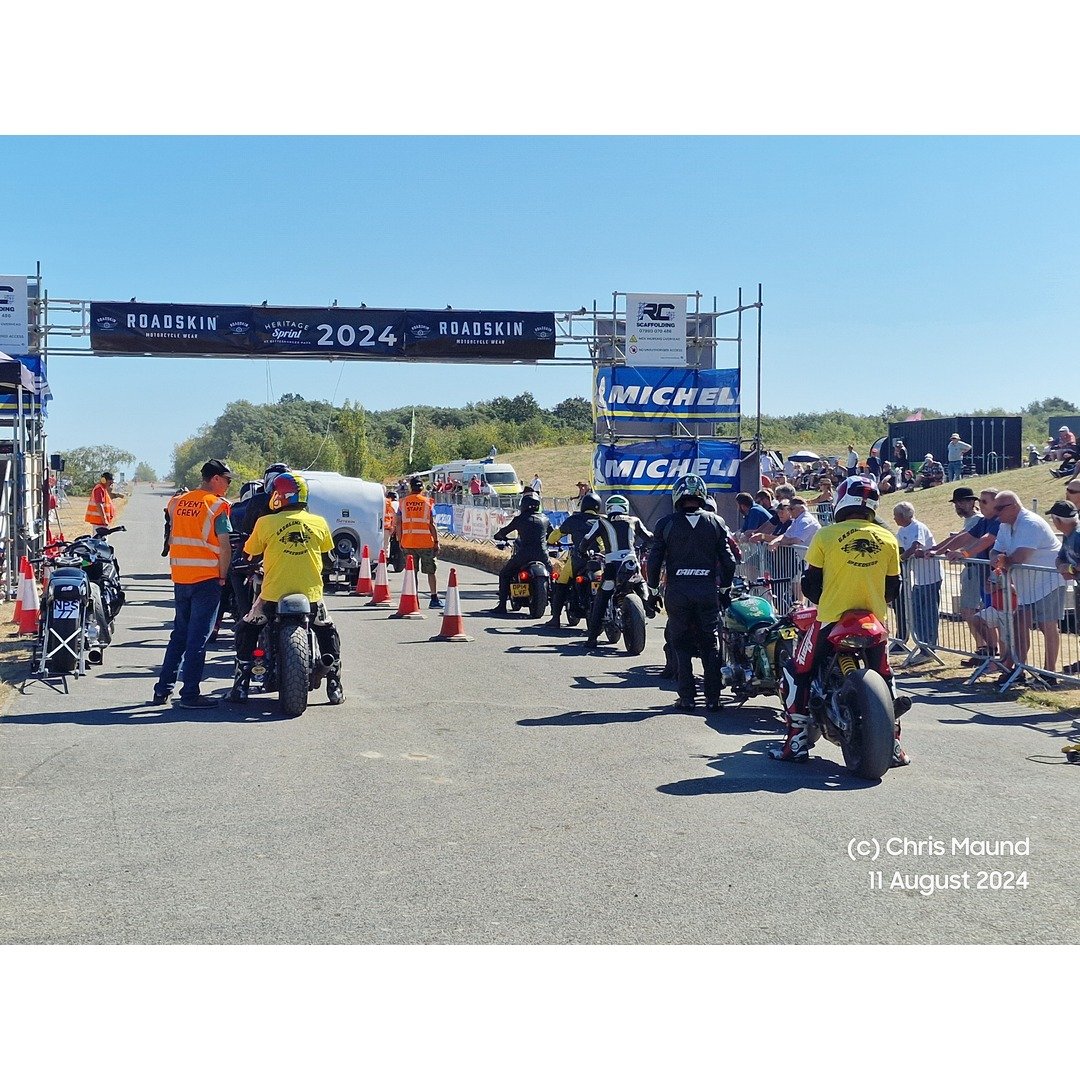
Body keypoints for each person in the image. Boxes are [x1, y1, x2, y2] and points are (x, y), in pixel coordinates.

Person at [768, 475, 912, 766]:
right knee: (885, 676)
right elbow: (892, 589)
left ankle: (796, 741)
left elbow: (810, 585)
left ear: (841, 500)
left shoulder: (825, 535)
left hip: (831, 618)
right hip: (873, 621)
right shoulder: (888, 538)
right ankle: (894, 744)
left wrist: (830, 597)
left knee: (796, 671)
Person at [230, 471, 344, 705]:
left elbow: (249, 554)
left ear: (279, 496)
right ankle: (335, 684)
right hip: (311, 595)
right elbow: (329, 559)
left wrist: (245, 562)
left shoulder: (265, 522)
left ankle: (241, 686)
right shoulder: (319, 522)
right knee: (327, 630)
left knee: (246, 628)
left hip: (272, 595)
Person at [646, 475, 737, 710]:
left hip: (678, 591)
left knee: (681, 645)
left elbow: (654, 560)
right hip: (706, 590)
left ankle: (687, 698)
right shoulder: (716, 521)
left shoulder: (666, 523)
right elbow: (729, 561)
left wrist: (653, 589)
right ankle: (713, 699)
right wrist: (725, 589)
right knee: (710, 644)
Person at [151, 459, 234, 708]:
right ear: (215, 479)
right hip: (207, 579)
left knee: (179, 635)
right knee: (198, 639)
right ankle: (189, 694)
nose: (229, 485)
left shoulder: (176, 502)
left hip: (181, 578)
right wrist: (223, 575)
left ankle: (162, 690)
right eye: (227, 480)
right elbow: (225, 546)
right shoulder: (217, 506)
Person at [990, 491, 1063, 686]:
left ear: (1014, 506)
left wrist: (1003, 561)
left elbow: (1020, 556)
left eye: (1000, 508)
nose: (996, 513)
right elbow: (995, 551)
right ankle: (1019, 669)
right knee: (1019, 624)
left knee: (1047, 625)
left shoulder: (1030, 523)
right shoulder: (1004, 525)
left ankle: (1049, 673)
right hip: (1026, 585)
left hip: (1048, 581)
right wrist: (997, 559)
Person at [580, 494, 654, 650]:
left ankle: (592, 638)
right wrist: (648, 547)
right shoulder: (634, 520)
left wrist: (582, 552)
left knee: (602, 597)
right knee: (640, 582)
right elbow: (650, 537)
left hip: (612, 566)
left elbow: (586, 539)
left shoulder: (602, 522)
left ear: (608, 508)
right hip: (631, 563)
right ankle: (647, 606)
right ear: (625, 507)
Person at [544, 491, 602, 628]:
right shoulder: (602, 521)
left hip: (578, 559)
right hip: (600, 560)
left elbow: (555, 535)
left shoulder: (574, 520)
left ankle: (555, 618)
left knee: (561, 583)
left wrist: (550, 541)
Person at [489, 492, 552, 616]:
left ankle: (502, 605)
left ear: (524, 505)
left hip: (524, 554)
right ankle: (555, 607)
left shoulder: (520, 519)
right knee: (553, 577)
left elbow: (504, 531)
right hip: (542, 554)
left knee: (505, 574)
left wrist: (499, 535)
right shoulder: (545, 519)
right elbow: (552, 534)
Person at [893, 501, 942, 658]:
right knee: (916, 612)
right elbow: (899, 548)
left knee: (929, 612)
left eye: (896, 515)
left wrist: (900, 559)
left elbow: (916, 546)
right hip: (918, 578)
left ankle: (929, 647)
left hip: (930, 576)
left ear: (903, 516)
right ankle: (922, 644)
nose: (894, 518)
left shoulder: (918, 527)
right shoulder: (902, 531)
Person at [396, 474, 443, 608]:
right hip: (426, 543)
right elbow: (432, 524)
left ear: (410, 488)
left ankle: (413, 598)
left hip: (408, 542)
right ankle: (434, 599)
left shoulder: (403, 503)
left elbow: (398, 523)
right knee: (431, 572)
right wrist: (436, 541)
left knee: (412, 572)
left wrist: (400, 540)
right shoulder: (428, 502)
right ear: (422, 488)